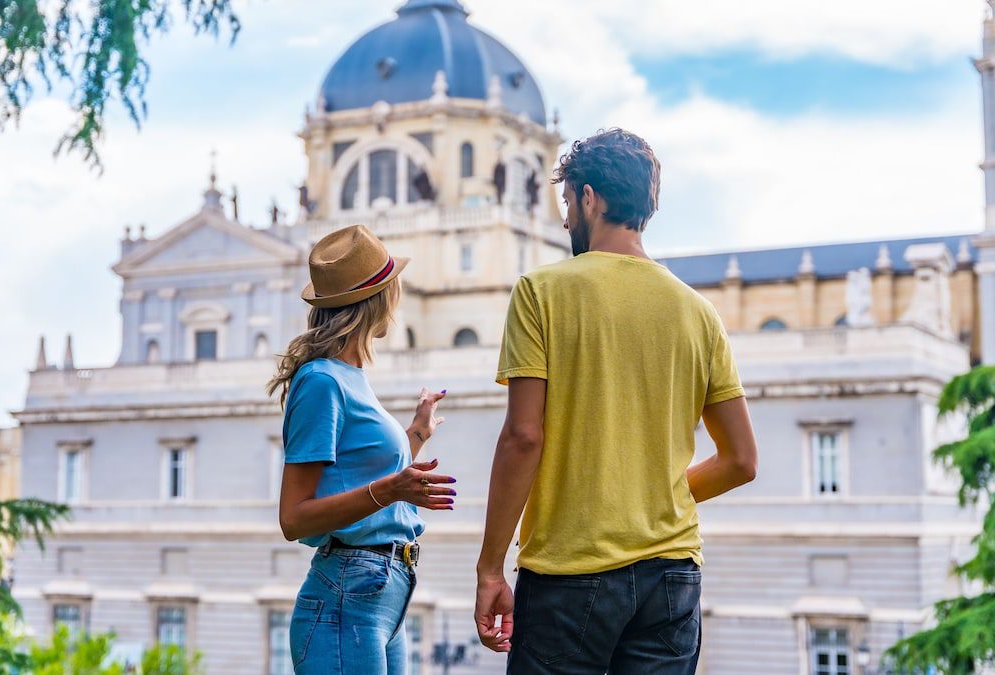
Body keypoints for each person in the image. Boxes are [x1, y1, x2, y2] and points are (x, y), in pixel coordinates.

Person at [474, 129, 760, 674]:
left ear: (589, 198)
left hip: (569, 573)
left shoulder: (540, 292)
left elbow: (523, 437)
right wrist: (657, 498)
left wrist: (491, 568)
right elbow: (742, 461)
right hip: (673, 574)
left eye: (567, 203)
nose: (564, 221)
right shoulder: (698, 311)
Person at [271, 224, 457, 674]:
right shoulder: (320, 381)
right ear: (379, 300)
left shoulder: (348, 378)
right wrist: (392, 489)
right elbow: (293, 518)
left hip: (380, 594)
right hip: (347, 594)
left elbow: (360, 480)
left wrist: (415, 436)